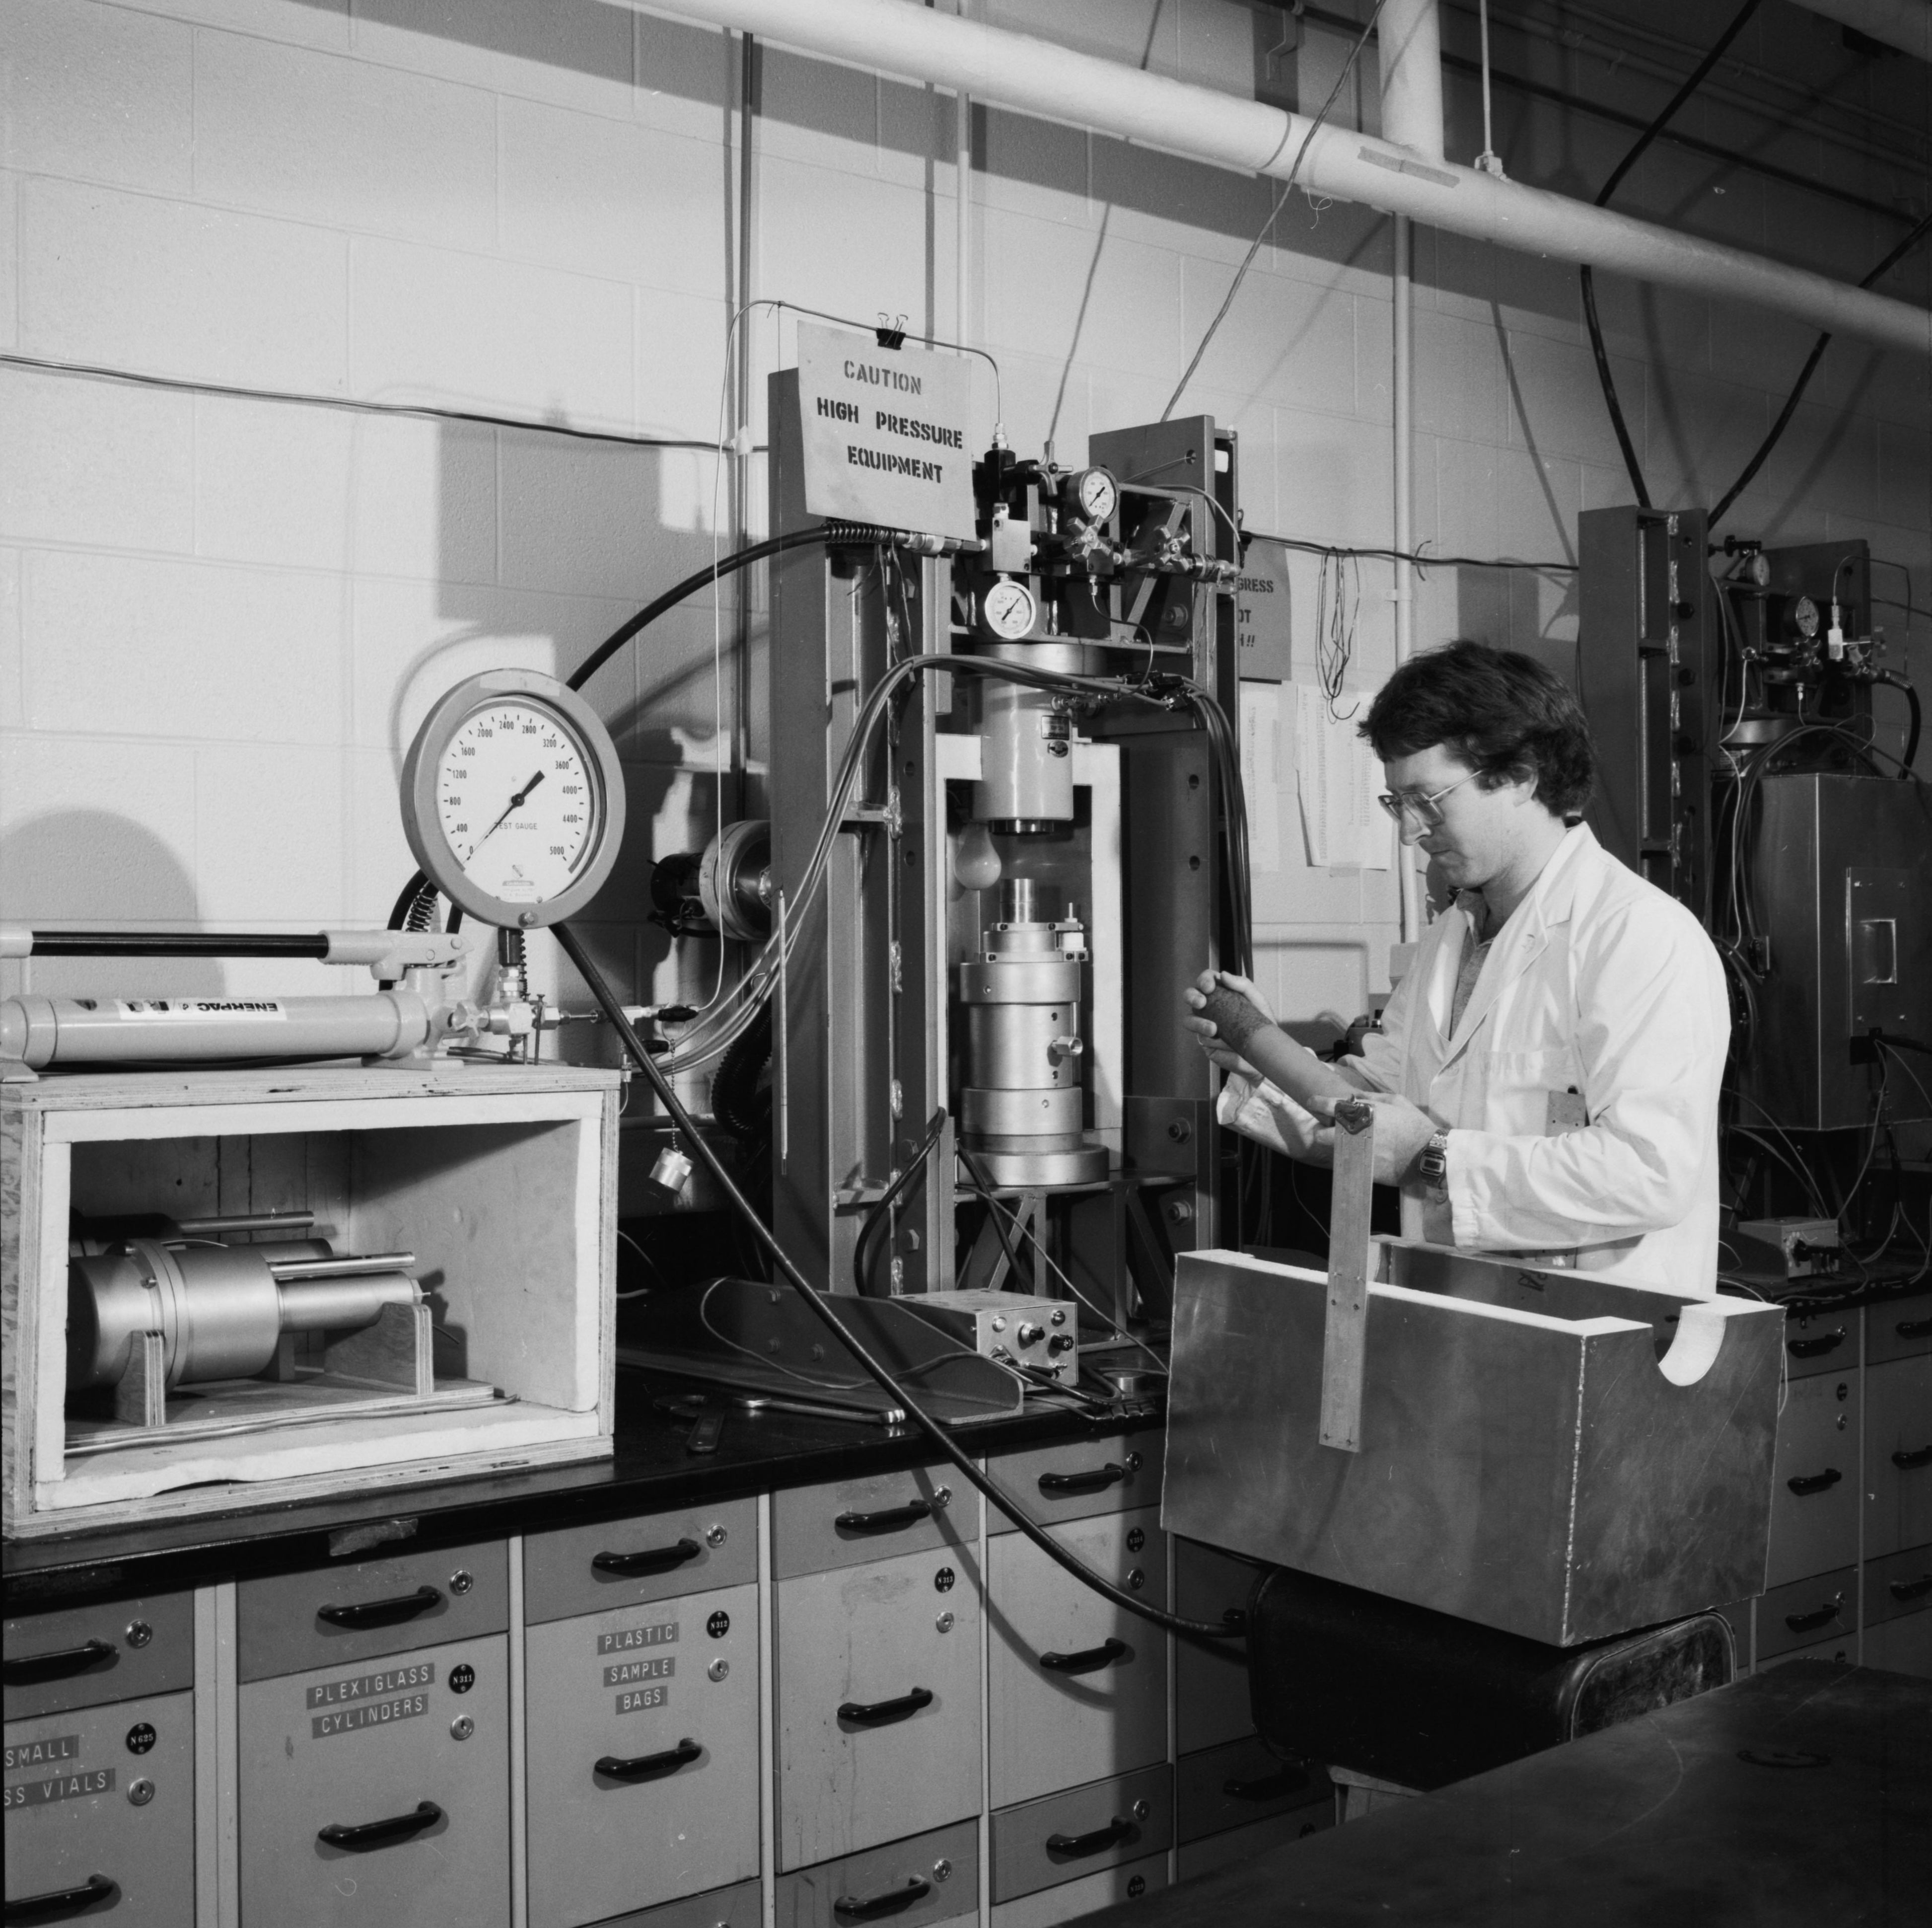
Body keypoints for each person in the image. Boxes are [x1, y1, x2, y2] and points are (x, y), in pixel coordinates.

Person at [1185, 640, 1731, 1294]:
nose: (1411, 831)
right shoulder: (1452, 935)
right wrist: (1260, 1057)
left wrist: (1436, 1158)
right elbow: (1369, 1119)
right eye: (1397, 804)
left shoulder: (1638, 936)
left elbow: (1650, 1172)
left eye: (1429, 800)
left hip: (1603, 1339)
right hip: (1465, 1331)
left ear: (1523, 775)